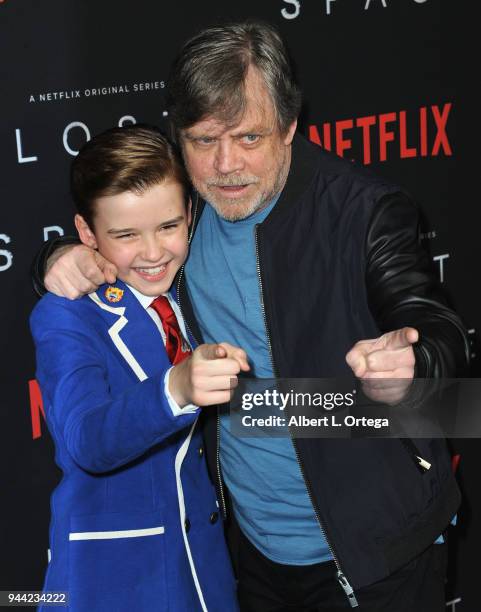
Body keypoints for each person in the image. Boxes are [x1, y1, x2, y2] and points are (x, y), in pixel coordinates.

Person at [33, 21, 470, 612]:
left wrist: (415, 365)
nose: (224, 166)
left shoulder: (365, 213)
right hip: (247, 560)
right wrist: (54, 258)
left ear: (290, 126)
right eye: (203, 141)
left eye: (248, 138)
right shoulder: (184, 217)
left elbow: (440, 339)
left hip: (378, 552)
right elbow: (123, 234)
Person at [30, 125, 249, 612]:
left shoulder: (196, 285)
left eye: (169, 227)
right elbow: (86, 438)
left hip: (207, 571)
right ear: (86, 235)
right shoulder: (65, 313)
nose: (153, 253)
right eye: (126, 235)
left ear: (190, 214)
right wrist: (176, 386)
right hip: (110, 581)